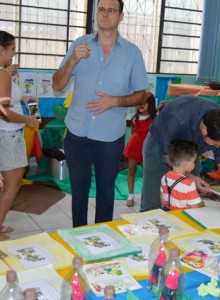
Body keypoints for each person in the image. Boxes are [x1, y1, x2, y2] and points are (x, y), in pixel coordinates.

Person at [52, 0, 148, 227]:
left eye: (111, 10)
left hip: (110, 136)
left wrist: (116, 101)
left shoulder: (132, 54)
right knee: (79, 191)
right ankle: (79, 235)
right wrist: (73, 59)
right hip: (77, 132)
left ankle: (102, 241)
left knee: (106, 193)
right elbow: (57, 84)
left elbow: (142, 96)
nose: (105, 15)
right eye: (102, 10)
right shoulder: (80, 45)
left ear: (121, 16)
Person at [140, 96, 220, 212]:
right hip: (160, 148)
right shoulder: (178, 118)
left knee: (185, 202)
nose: (217, 147)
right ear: (204, 130)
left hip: (189, 151)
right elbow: (166, 155)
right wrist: (191, 177)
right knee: (153, 203)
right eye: (215, 144)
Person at [0, 31, 40, 241]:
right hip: (8, 136)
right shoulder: (3, 74)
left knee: (8, 184)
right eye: (13, 49)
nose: (14, 53)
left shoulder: (5, 73)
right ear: (1, 50)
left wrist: (23, 97)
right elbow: (4, 112)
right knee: (13, 184)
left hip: (6, 135)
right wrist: (28, 120)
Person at [123, 92, 157, 207]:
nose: (141, 106)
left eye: (144, 103)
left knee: (146, 172)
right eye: (139, 103)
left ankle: (146, 195)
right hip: (135, 146)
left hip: (147, 148)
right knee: (131, 170)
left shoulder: (155, 119)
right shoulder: (135, 118)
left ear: (150, 104)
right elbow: (134, 133)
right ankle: (130, 195)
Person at [160, 139, 205, 210]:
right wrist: (202, 203)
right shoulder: (189, 183)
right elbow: (195, 206)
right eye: (193, 161)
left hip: (169, 212)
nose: (194, 164)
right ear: (185, 163)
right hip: (182, 216)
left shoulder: (165, 177)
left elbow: (162, 198)